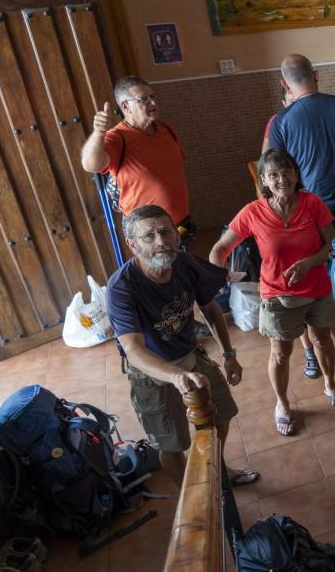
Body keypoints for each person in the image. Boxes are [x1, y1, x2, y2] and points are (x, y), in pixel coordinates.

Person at [105, 205, 258, 488]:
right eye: (148, 236)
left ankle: (218, 471)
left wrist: (229, 354)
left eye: (165, 231)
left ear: (176, 235)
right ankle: (194, 496)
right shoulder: (121, 288)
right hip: (153, 373)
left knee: (221, 415)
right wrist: (175, 377)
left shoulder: (185, 264)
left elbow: (210, 309)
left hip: (191, 356)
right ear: (132, 245)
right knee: (172, 444)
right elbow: (133, 350)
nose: (160, 241)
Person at [210, 149, 335, 437]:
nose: (281, 179)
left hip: (317, 289)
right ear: (264, 180)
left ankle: (330, 384)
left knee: (323, 339)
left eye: (286, 172)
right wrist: (218, 273)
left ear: (296, 174)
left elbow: (333, 245)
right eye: (273, 174)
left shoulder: (313, 204)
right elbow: (220, 249)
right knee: (280, 352)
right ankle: (283, 404)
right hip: (278, 295)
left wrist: (309, 263)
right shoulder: (253, 213)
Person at [269, 53, 335, 380]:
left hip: (315, 212)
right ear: (316, 74)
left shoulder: (282, 122)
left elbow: (274, 172)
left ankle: (332, 341)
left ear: (284, 83)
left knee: (324, 276)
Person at [81, 76, 192, 238]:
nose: (153, 103)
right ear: (126, 106)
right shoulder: (118, 137)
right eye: (144, 99)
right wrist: (99, 132)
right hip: (149, 235)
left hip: (181, 226)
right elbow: (91, 165)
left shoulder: (165, 129)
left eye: (153, 97)